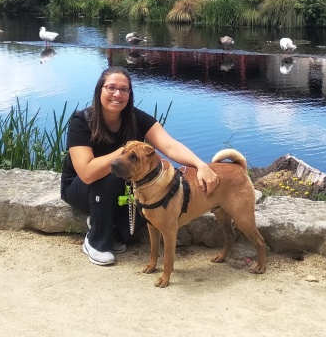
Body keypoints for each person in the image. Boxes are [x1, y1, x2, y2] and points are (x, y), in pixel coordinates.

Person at [60, 66, 219, 266]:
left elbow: (168, 145)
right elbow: (87, 173)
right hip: (79, 186)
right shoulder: (81, 121)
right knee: (110, 173)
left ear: (129, 94)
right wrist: (125, 150)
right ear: (99, 90)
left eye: (124, 89)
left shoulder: (135, 118)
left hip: (119, 184)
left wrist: (200, 165)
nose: (117, 94)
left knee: (148, 207)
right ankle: (96, 241)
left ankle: (109, 225)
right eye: (111, 88)